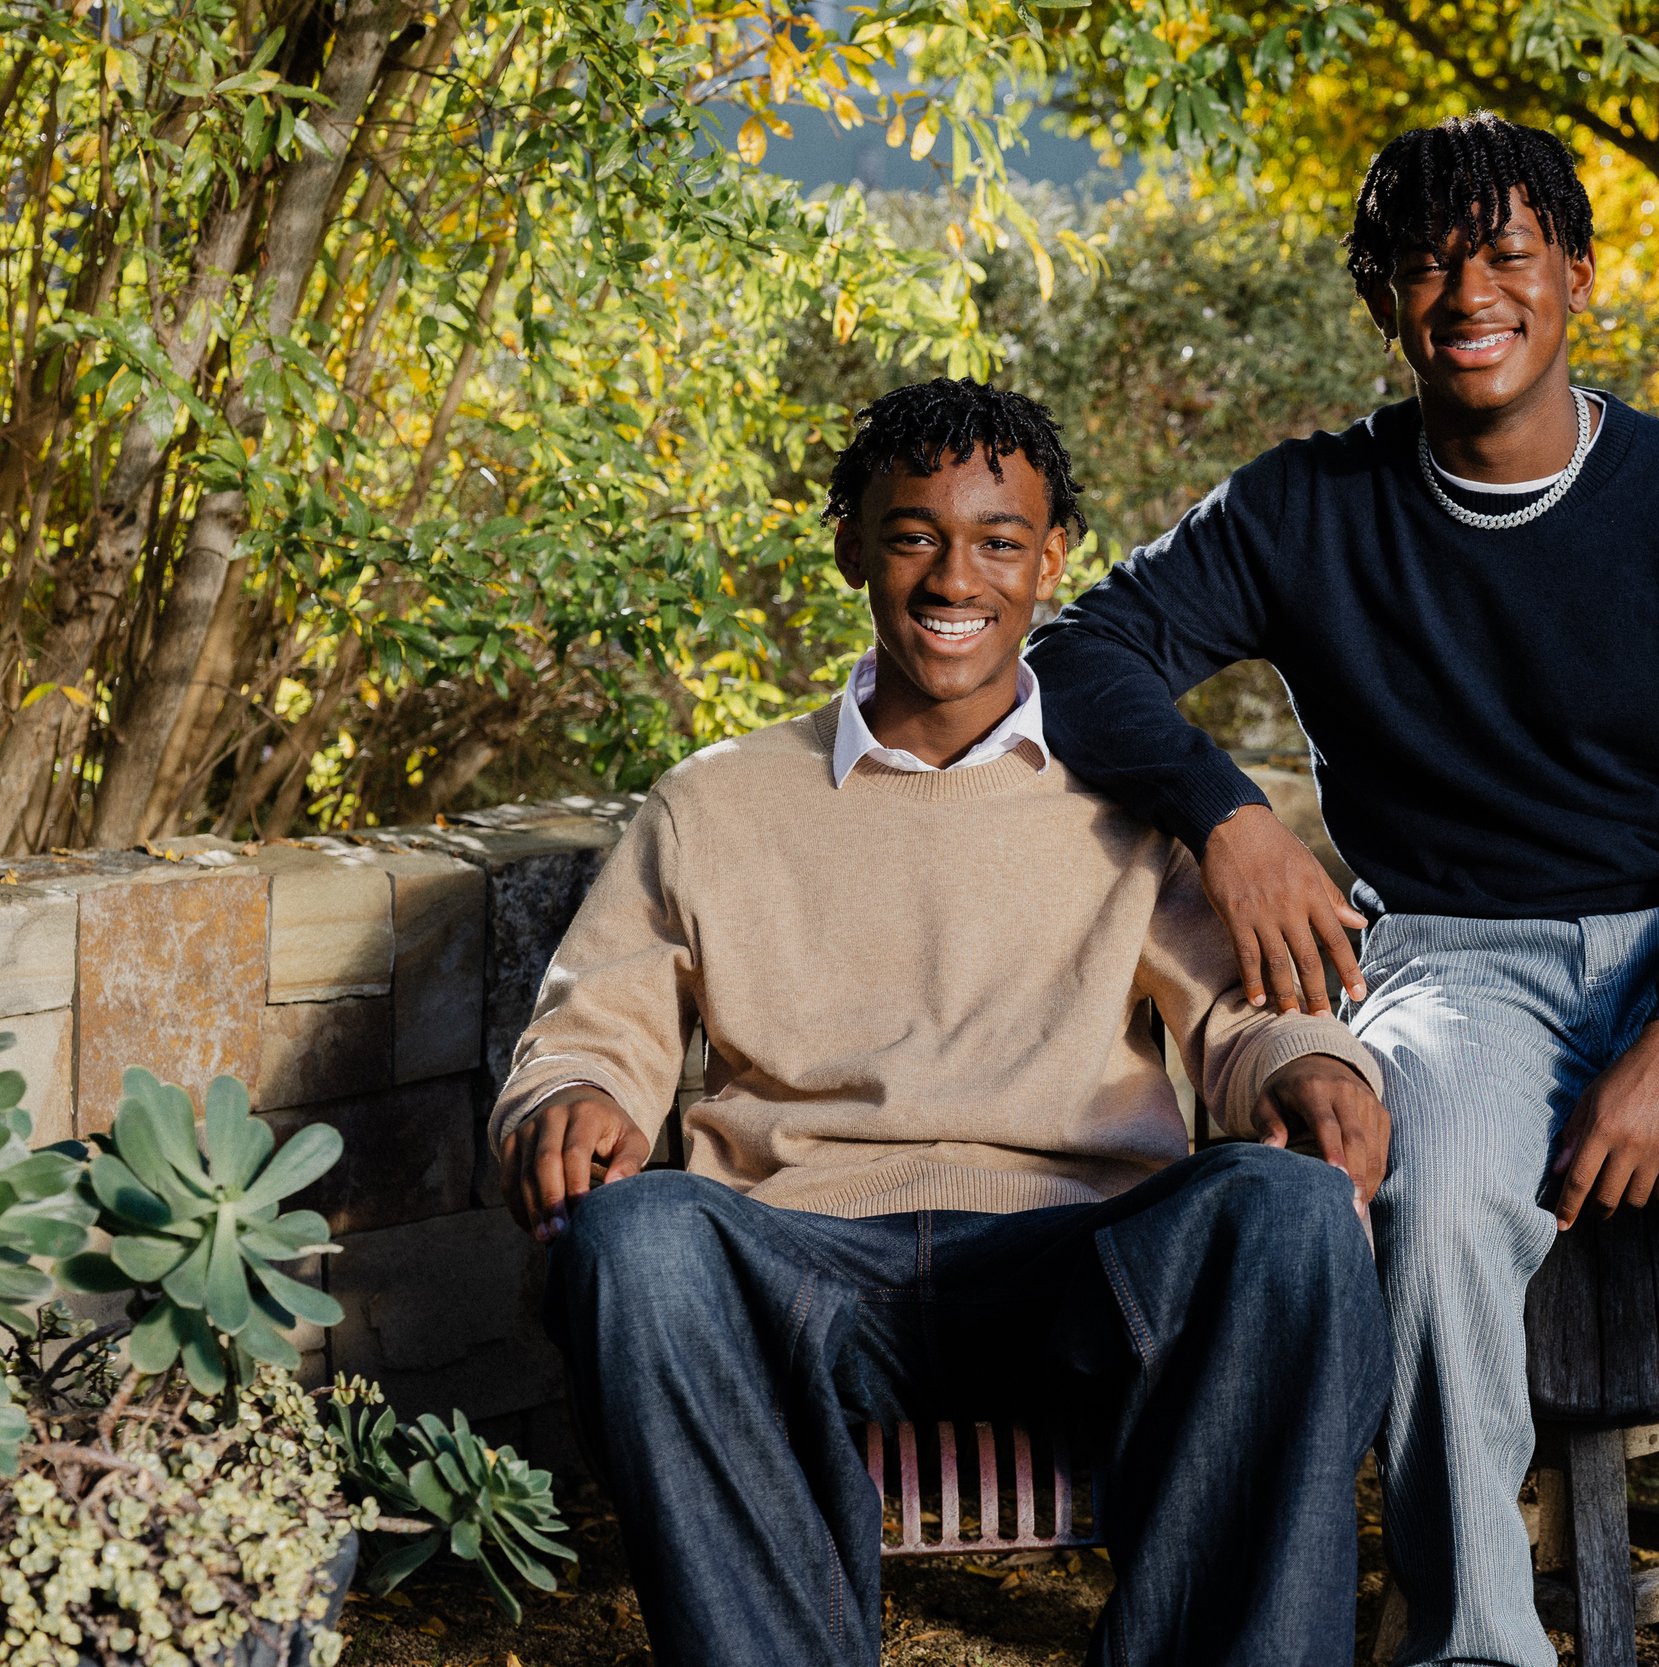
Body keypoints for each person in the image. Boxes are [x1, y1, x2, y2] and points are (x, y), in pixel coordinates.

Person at [1026, 114, 1659, 1667]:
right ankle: (1481, 1648)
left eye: (1504, 254)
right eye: (1426, 263)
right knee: (1431, 1210)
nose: (1467, 291)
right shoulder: (1309, 510)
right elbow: (1079, 655)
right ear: (1383, 300)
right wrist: (1230, 818)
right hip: (1451, 960)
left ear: (1574, 279)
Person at [494, 378, 1394, 1667]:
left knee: (1293, 1216)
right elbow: (595, 1027)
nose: (951, 577)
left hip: (1078, 1266)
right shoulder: (717, 803)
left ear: (1050, 561)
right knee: (633, 1240)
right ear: (853, 546)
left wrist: (1310, 1064)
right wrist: (570, 1097)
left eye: (997, 541)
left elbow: (1251, 1018)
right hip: (803, 1259)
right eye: (913, 534)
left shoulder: (1131, 801)